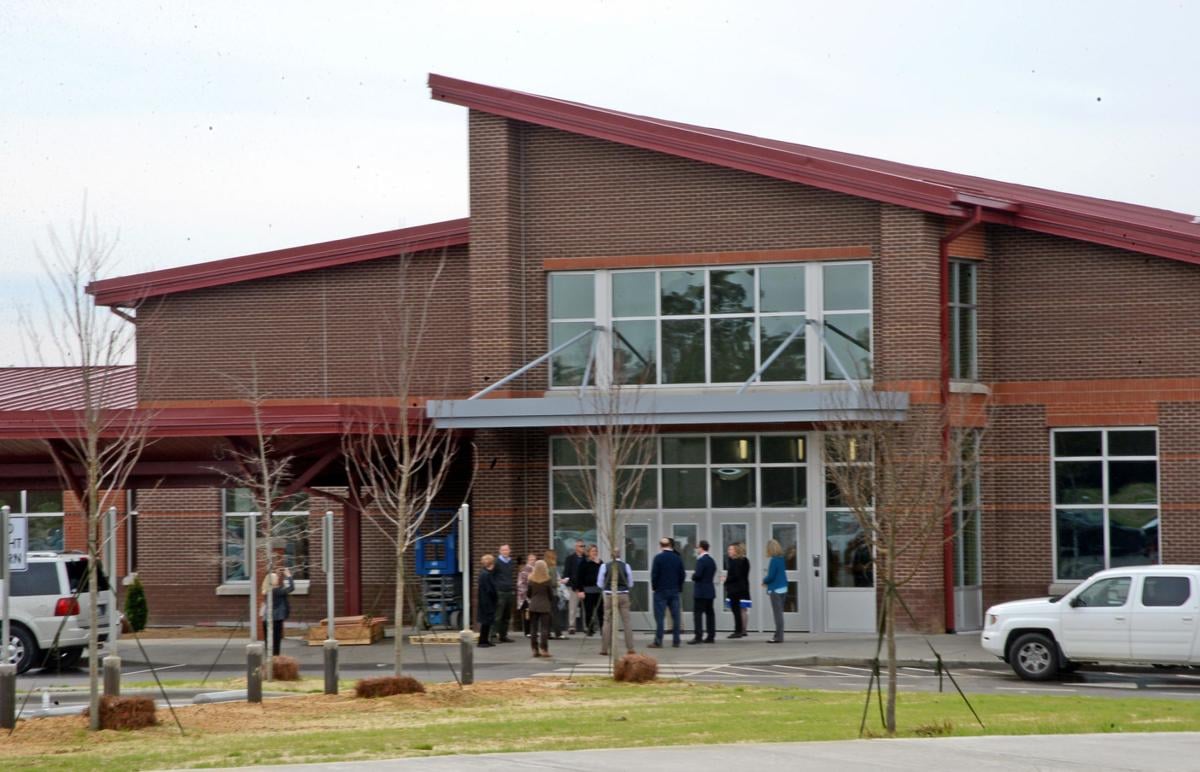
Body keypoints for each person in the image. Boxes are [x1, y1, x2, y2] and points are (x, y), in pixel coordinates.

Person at [597, 547, 636, 656]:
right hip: (623, 594)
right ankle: (630, 648)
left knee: (607, 622)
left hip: (610, 594)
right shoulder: (626, 566)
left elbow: (600, 583)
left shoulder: (604, 566)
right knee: (627, 622)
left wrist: (607, 587)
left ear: (611, 555)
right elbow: (631, 583)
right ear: (620, 554)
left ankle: (604, 648)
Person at [649, 536, 685, 648]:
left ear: (661, 546)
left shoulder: (658, 558)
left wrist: (655, 587)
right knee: (676, 617)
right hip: (674, 590)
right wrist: (679, 587)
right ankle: (676, 640)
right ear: (671, 545)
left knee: (660, 617)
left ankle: (658, 641)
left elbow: (654, 575)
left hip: (661, 590)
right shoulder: (677, 558)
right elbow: (682, 575)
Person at [260, 565, 295, 656]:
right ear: (272, 581)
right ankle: (274, 662)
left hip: (266, 619)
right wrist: (289, 576)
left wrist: (278, 575)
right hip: (275, 620)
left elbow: (278, 586)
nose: (277, 579)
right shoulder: (276, 591)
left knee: (269, 644)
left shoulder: (267, 590)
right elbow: (291, 588)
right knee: (276, 643)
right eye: (275, 578)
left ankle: (270, 661)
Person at [526, 559, 555, 658]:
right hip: (545, 606)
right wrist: (550, 601)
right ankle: (544, 649)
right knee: (544, 629)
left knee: (533, 629)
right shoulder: (548, 580)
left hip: (533, 606)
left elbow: (528, 594)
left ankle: (534, 649)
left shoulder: (531, 580)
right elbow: (551, 594)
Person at [689, 540, 717, 645]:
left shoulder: (701, 560)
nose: (696, 549)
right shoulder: (711, 560)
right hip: (710, 590)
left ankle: (698, 636)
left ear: (701, 548)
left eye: (697, 547)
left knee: (698, 614)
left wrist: (693, 576)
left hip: (701, 591)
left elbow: (698, 575)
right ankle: (711, 636)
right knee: (710, 614)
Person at [762, 539, 787, 643]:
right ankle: (777, 635)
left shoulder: (774, 560)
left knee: (777, 615)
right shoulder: (781, 559)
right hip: (783, 588)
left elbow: (771, 576)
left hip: (776, 590)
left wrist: (764, 580)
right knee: (779, 613)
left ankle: (778, 637)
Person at [723, 543, 750, 638]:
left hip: (735, 589)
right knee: (741, 610)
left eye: (730, 549)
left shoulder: (735, 562)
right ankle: (742, 630)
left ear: (736, 551)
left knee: (736, 610)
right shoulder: (744, 560)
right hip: (742, 588)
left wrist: (725, 580)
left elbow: (735, 576)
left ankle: (738, 631)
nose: (728, 551)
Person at [577, 544, 604, 636]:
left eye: (596, 551)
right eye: (593, 551)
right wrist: (580, 590)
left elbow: (603, 574)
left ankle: (602, 629)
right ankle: (590, 629)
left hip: (598, 590)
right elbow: (579, 577)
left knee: (600, 611)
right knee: (589, 611)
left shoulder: (600, 563)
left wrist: (598, 564)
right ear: (588, 553)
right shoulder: (584, 563)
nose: (595, 553)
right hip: (588, 590)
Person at [561, 539, 586, 634]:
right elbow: (566, 573)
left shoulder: (586, 559)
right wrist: (569, 584)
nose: (583, 548)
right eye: (581, 546)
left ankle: (586, 626)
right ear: (576, 548)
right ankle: (572, 627)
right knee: (572, 608)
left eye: (583, 546)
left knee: (586, 608)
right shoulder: (570, 559)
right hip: (574, 587)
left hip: (584, 588)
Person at [492, 544, 516, 643]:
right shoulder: (496, 562)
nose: (505, 552)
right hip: (500, 591)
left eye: (507, 550)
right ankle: (493, 635)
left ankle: (503, 635)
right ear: (500, 551)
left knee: (507, 615)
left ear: (509, 551)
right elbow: (492, 576)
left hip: (509, 591)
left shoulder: (511, 562)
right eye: (503, 550)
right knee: (498, 615)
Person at [476, 554, 498, 648]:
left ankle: (485, 640)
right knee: (486, 621)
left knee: (487, 622)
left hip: (485, 601)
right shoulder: (486, 575)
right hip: (487, 601)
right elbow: (490, 589)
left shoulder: (484, 573)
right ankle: (482, 641)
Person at [544, 549, 566, 639]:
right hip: (553, 593)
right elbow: (553, 583)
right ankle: (558, 633)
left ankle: (547, 633)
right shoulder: (552, 568)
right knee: (555, 614)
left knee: (547, 615)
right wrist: (560, 582)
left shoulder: (544, 567)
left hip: (545, 594)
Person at [516, 552, 537, 638]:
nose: (533, 561)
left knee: (533, 614)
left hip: (533, 595)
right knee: (527, 614)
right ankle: (527, 632)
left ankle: (533, 631)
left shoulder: (535, 569)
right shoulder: (525, 570)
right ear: (528, 560)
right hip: (525, 596)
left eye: (534, 560)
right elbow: (521, 584)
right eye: (531, 559)